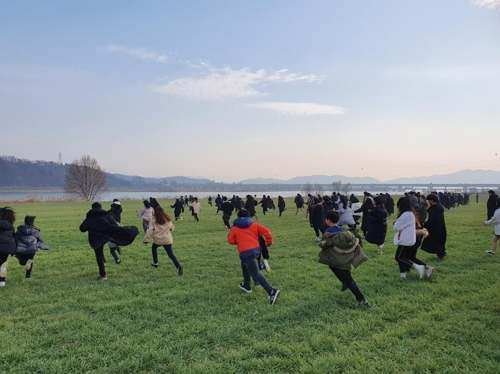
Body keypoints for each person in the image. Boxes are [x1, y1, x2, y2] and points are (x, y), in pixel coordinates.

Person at [227, 210, 280, 305]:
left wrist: (239, 240)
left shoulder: (234, 228)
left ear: (238, 217)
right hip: (256, 251)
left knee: (255, 273)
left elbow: (230, 241)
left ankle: (272, 291)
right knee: (244, 265)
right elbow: (267, 231)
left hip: (246, 252)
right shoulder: (254, 225)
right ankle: (247, 285)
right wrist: (269, 243)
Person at [318, 211, 370, 307]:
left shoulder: (329, 232)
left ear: (328, 220)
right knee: (344, 276)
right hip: (345, 259)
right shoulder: (345, 231)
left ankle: (363, 301)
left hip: (336, 260)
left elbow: (323, 244)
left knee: (349, 280)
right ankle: (345, 283)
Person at [80, 202, 139, 279]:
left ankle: (103, 274)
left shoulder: (90, 218)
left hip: (95, 239)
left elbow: (82, 228)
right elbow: (114, 224)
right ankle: (115, 250)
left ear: (92, 208)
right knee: (111, 245)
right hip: (107, 236)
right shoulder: (106, 215)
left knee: (99, 255)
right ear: (101, 208)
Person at [393, 197, 434, 279]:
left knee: (400, 257)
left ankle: (418, 267)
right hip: (412, 238)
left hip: (407, 239)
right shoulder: (411, 213)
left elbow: (397, 227)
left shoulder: (406, 214)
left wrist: (396, 224)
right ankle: (404, 274)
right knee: (407, 257)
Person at [143, 207, 183, 275]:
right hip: (167, 240)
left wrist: (146, 241)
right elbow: (172, 228)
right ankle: (179, 267)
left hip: (158, 240)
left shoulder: (153, 222)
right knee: (171, 254)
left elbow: (149, 231)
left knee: (154, 248)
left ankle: (155, 262)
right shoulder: (168, 221)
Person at [421, 194, 448, 260]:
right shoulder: (439, 207)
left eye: (429, 201)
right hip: (441, 227)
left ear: (432, 201)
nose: (428, 202)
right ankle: (441, 253)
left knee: (433, 242)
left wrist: (425, 224)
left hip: (434, 229)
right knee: (439, 242)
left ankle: (441, 254)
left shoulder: (433, 209)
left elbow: (432, 220)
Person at [0, 207, 17, 287]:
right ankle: (2, 282)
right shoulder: (10, 226)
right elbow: (14, 236)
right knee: (2, 263)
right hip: (8, 247)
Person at [108, 199, 123, 264]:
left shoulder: (113, 207)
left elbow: (111, 212)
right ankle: (117, 247)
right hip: (118, 223)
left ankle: (117, 259)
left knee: (111, 249)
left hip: (112, 225)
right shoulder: (120, 207)